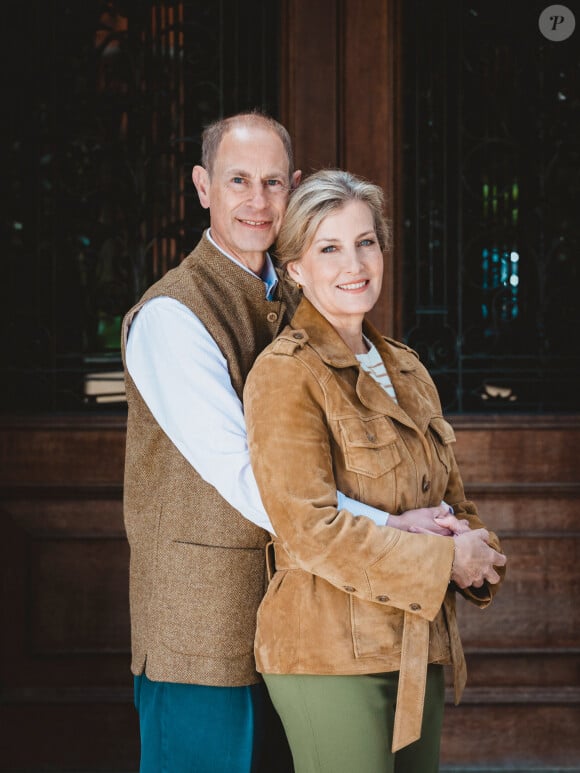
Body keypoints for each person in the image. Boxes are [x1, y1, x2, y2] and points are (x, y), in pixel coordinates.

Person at [121, 113, 448, 771]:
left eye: (273, 181)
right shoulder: (171, 314)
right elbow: (248, 473)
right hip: (202, 629)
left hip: (302, 624)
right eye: (237, 179)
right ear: (202, 186)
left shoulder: (304, 299)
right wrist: (395, 530)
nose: (257, 199)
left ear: (293, 187)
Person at [243, 169, 507, 773]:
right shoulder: (286, 373)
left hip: (418, 642)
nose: (353, 262)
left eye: (366, 241)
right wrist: (446, 559)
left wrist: (476, 549)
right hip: (327, 651)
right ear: (295, 269)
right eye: (328, 248)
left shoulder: (408, 368)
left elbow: (452, 503)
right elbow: (307, 528)